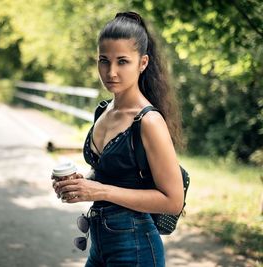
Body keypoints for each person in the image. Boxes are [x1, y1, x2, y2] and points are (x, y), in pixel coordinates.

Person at [52, 11, 184, 266]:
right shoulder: (103, 110)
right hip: (100, 244)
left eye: (122, 61)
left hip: (135, 245)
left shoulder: (149, 121)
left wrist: (100, 190)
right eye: (104, 60)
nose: (111, 71)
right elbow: (112, 175)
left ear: (142, 63)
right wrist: (80, 185)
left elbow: (173, 201)